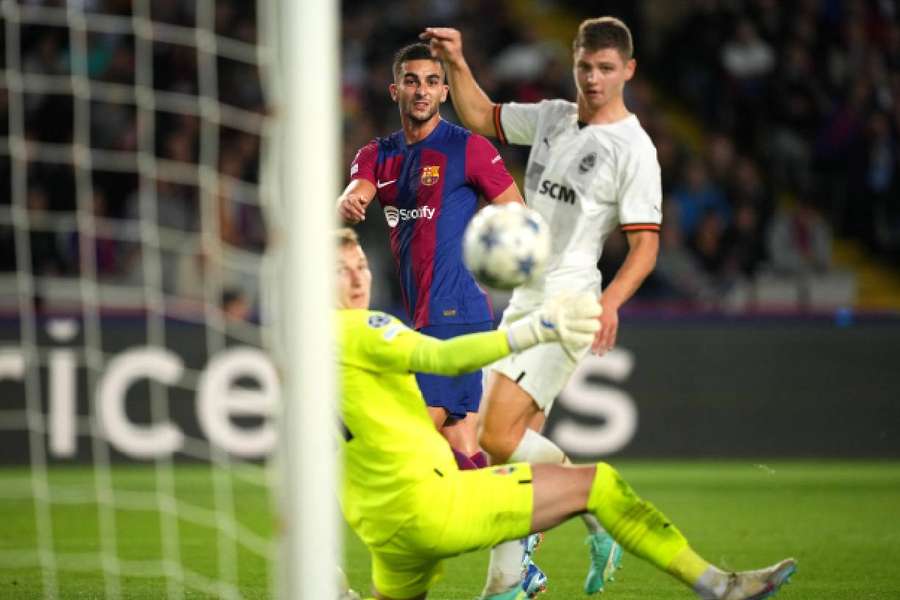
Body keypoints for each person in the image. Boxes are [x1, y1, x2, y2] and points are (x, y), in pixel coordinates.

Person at [335, 228, 796, 600]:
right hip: (433, 508)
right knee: (599, 485)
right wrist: (532, 330)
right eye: (341, 271)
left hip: (382, 528)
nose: (359, 279)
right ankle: (720, 587)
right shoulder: (355, 328)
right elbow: (445, 359)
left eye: (362, 266)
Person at [421, 16, 662, 596]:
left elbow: (646, 245)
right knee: (515, 469)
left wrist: (608, 303)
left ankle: (595, 504)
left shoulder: (634, 150)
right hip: (526, 299)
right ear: (573, 61)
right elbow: (481, 116)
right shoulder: (554, 116)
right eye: (585, 66)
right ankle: (510, 581)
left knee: (496, 434)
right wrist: (455, 61)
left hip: (570, 301)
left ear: (627, 70)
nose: (594, 78)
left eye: (606, 69)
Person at [337, 42, 524, 472]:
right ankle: (519, 523)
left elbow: (519, 219)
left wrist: (498, 247)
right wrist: (349, 203)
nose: (422, 90)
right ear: (394, 91)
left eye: (432, 82)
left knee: (409, 439)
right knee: (459, 444)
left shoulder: (469, 149)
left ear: (444, 92)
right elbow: (356, 193)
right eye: (412, 81)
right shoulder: (376, 154)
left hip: (457, 309)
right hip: (419, 313)